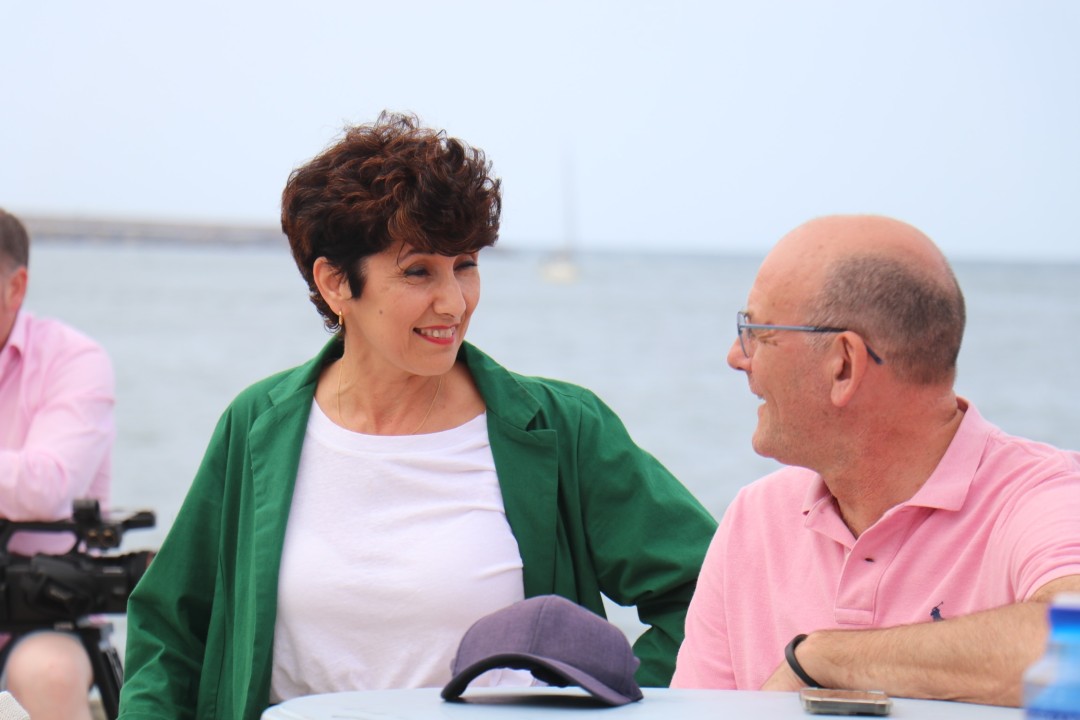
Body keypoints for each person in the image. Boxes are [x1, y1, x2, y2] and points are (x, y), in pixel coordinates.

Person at [118, 112, 717, 720]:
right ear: (335, 282)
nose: (454, 302)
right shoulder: (256, 425)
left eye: (466, 264)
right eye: (418, 271)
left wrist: (611, 704)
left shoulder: (564, 427)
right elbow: (170, 632)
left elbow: (713, 595)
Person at [671, 214, 1080, 706]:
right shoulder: (754, 519)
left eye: (758, 332)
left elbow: (1073, 648)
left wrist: (823, 661)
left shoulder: (1045, 498)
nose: (737, 357)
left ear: (844, 364)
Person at [0, 208, 116, 720]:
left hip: (39, 610)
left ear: (15, 287)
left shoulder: (74, 359)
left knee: (51, 673)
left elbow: (46, 488)